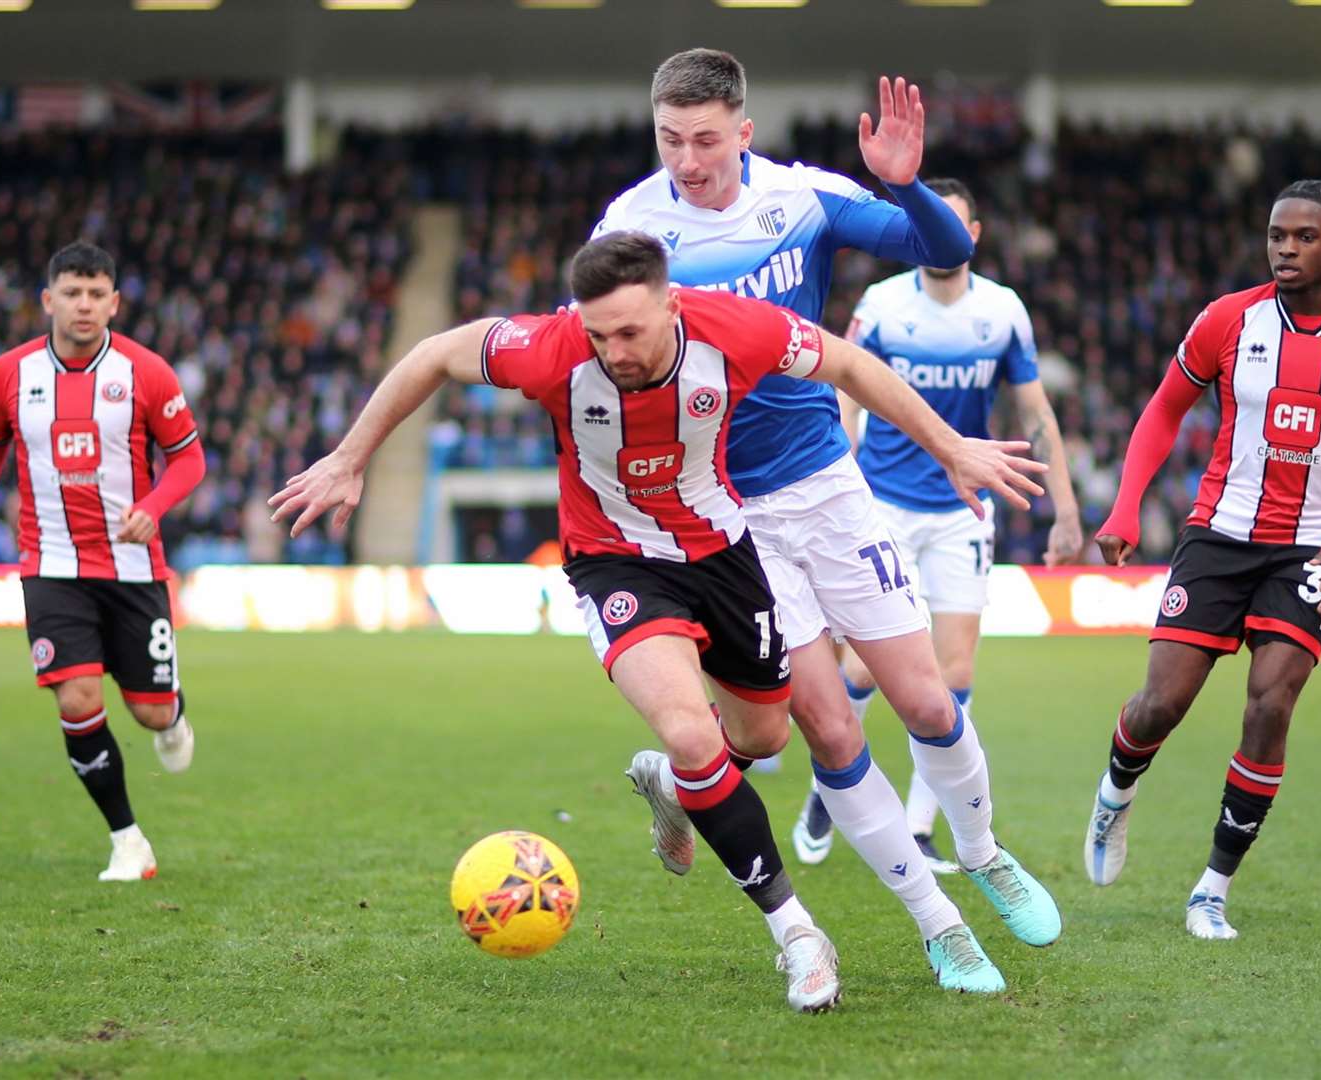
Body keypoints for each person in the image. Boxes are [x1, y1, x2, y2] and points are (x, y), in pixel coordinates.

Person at [269, 232, 1045, 1009]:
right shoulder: (551, 349)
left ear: (671, 307)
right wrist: (348, 457)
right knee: (692, 732)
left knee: (764, 737)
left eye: (631, 332)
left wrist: (948, 446)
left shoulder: (732, 329)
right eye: (599, 333)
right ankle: (798, 935)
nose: (615, 351)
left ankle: (680, 787)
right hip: (617, 564)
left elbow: (846, 363)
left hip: (724, 554)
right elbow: (433, 354)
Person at [593, 48, 1062, 991]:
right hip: (726, 515)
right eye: (670, 139)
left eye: (706, 140)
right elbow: (602, 349)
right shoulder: (632, 227)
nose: (687, 160)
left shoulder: (803, 198)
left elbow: (944, 252)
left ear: (745, 132)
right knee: (829, 733)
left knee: (928, 701)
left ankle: (982, 853)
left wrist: (908, 185)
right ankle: (938, 927)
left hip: (828, 487)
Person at [1082, 180, 1321, 939]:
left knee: (1271, 704)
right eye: (1276, 235)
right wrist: (1124, 504)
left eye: (1304, 236)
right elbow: (1166, 408)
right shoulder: (1227, 320)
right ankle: (1116, 791)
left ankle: (1211, 888)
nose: (1284, 248)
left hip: (1311, 547)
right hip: (1219, 535)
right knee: (1160, 706)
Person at [794, 178, 1082, 875]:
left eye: (953, 226)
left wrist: (1066, 508)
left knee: (953, 671)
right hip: (885, 503)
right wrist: (848, 473)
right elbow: (846, 388)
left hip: (962, 510)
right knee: (862, 664)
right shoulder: (883, 306)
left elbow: (1035, 411)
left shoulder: (1003, 313)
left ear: (974, 235)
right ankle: (826, 789)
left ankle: (920, 827)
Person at [0, 241, 205, 882]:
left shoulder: (146, 373)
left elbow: (189, 460)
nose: (84, 305)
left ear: (115, 302)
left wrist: (154, 506)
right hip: (49, 566)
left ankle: (174, 710)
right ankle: (128, 840)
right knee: (76, 700)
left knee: (151, 712)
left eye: (96, 293)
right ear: (49, 299)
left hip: (133, 568)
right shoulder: (8, 376)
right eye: (72, 293)